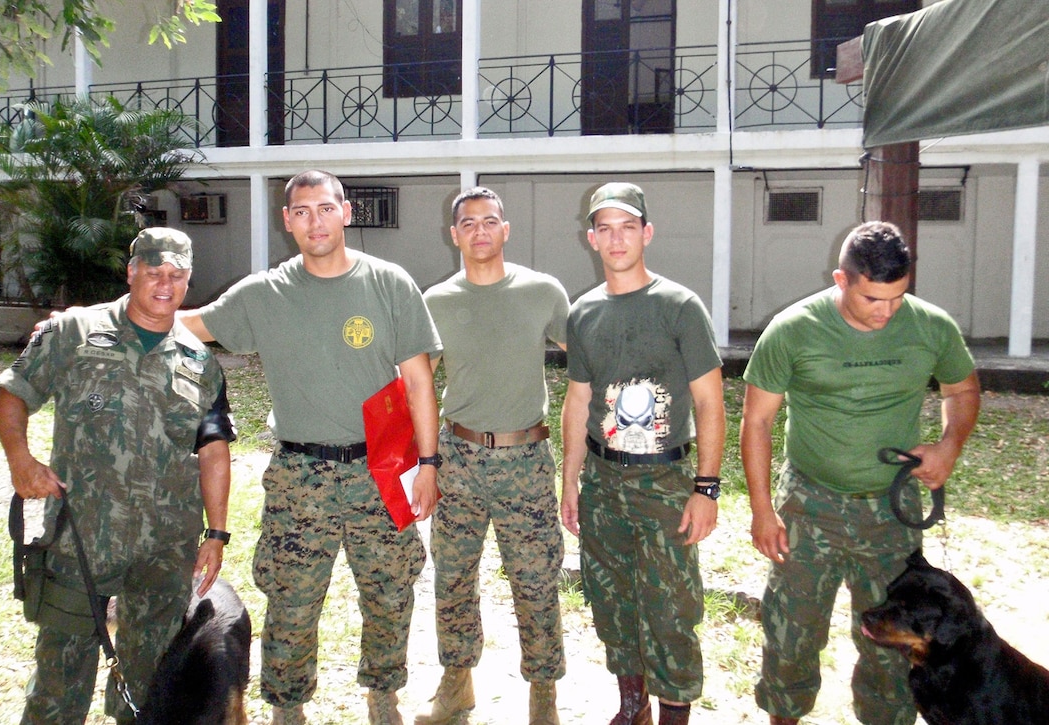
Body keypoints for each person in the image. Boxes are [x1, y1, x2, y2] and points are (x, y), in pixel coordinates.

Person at [176, 169, 443, 725]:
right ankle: (287, 708)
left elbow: (419, 380)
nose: (314, 221)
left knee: (391, 593)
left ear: (347, 213)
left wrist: (428, 462)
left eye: (325, 208)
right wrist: (93, 320)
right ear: (287, 221)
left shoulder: (390, 283)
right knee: (292, 601)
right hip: (301, 475)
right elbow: (188, 324)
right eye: (301, 211)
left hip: (381, 469)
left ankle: (383, 697)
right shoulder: (265, 293)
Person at [740, 220, 981, 725]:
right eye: (873, 299)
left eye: (897, 298)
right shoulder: (794, 329)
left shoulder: (931, 326)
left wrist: (948, 446)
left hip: (890, 512)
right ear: (841, 279)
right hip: (810, 503)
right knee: (791, 633)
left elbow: (963, 390)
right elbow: (757, 421)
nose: (886, 312)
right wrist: (763, 510)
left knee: (890, 646)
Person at [0, 227, 236, 725]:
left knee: (149, 680)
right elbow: (13, 392)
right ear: (132, 272)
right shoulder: (73, 332)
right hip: (80, 536)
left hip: (165, 547)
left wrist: (216, 532)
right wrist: (21, 461)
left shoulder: (200, 362)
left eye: (177, 275)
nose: (164, 284)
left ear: (188, 280)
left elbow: (213, 450)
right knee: (61, 675)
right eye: (153, 272)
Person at [560, 182, 726, 725]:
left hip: (666, 484)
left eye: (627, 226)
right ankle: (632, 706)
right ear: (591, 239)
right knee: (611, 599)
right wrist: (570, 483)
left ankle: (675, 714)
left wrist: (705, 488)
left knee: (672, 608)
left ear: (646, 233)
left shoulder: (679, 305)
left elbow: (709, 401)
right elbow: (579, 400)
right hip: (604, 484)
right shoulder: (584, 313)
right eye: (604, 228)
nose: (616, 238)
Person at [416, 187, 568, 725]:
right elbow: (418, 386)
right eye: (468, 223)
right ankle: (457, 684)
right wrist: (425, 465)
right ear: (453, 234)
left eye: (489, 221)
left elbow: (591, 360)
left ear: (505, 229)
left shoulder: (543, 291)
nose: (479, 231)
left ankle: (543, 694)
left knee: (536, 580)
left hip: (527, 460)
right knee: (453, 577)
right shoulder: (435, 302)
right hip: (458, 456)